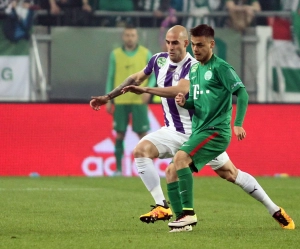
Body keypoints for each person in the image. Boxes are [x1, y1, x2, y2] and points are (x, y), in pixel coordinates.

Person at [90, 25, 295, 232]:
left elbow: (180, 89)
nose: (170, 47)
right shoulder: (158, 60)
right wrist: (108, 96)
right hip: (171, 131)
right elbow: (135, 78)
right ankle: (164, 207)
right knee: (141, 152)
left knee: (230, 174)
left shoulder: (195, 65)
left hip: (196, 132)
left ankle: (273, 209)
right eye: (168, 42)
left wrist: (146, 89)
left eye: (176, 43)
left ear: (186, 43)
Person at [163, 24, 295, 232]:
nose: (195, 49)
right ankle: (274, 209)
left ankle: (188, 214)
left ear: (212, 44)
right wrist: (184, 102)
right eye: (194, 45)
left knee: (180, 159)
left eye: (200, 45)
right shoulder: (195, 68)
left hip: (215, 132)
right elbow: (197, 102)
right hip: (200, 132)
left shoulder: (221, 67)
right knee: (180, 171)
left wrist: (238, 123)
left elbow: (242, 93)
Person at [91, 24, 156, 176]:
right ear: (123, 36)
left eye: (132, 35)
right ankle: (118, 169)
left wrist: (149, 91)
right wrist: (108, 98)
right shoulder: (115, 55)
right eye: (127, 35)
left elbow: (154, 75)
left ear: (137, 37)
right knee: (119, 134)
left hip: (138, 100)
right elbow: (111, 77)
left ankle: (147, 169)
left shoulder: (146, 54)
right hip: (120, 100)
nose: (130, 38)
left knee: (143, 134)